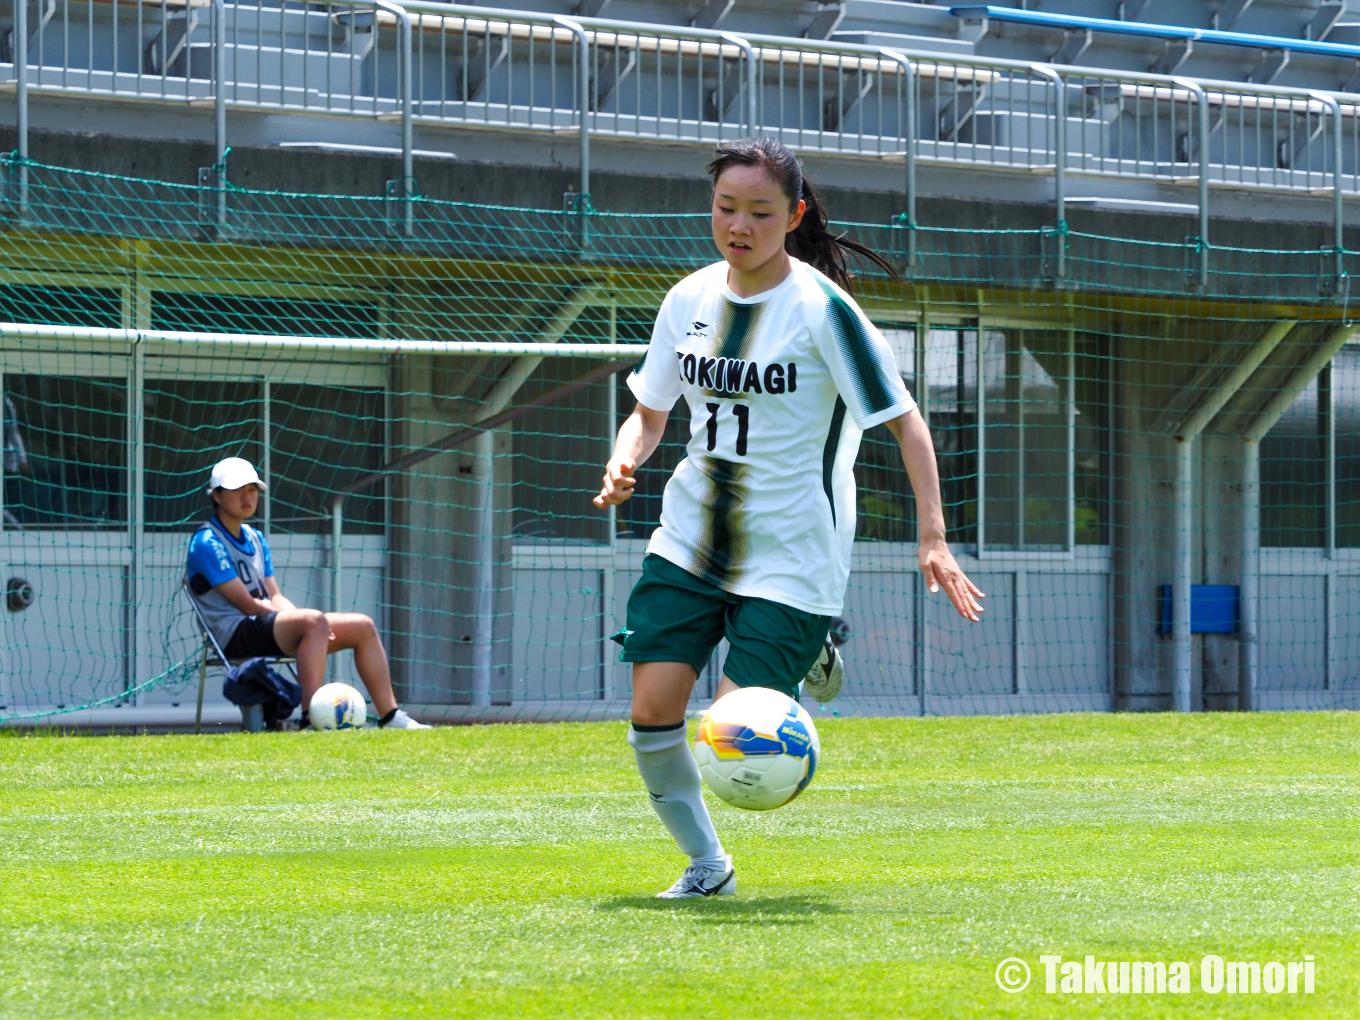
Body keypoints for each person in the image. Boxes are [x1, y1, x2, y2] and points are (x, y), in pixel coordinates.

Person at [593, 137, 983, 898]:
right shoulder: (689, 299)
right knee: (651, 712)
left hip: (793, 550)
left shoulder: (823, 311)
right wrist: (623, 455)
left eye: (759, 212)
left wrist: (932, 536)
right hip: (688, 538)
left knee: (735, 727)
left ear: (794, 215)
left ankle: (811, 653)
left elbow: (907, 423)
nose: (738, 225)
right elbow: (649, 411)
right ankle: (707, 866)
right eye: (725, 208)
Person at [185, 456, 429, 730]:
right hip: (231, 632)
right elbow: (247, 605)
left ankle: (391, 717)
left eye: (252, 489)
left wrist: (314, 622)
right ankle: (311, 719)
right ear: (216, 495)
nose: (247, 496)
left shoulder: (255, 537)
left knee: (362, 626)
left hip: (263, 624)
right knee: (313, 622)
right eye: (237, 488)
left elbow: (273, 595)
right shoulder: (206, 542)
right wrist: (311, 622)